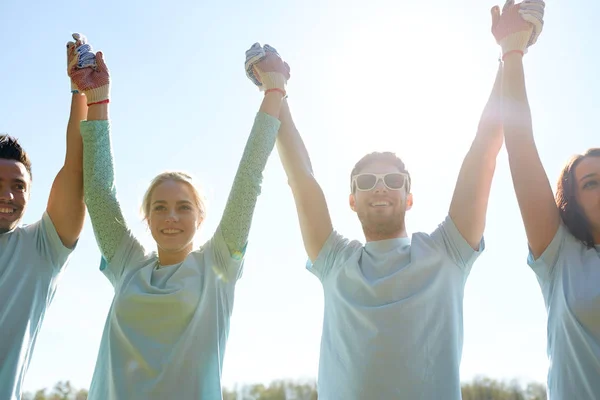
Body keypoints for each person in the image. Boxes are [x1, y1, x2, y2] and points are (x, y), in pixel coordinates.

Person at [243, 17, 528, 397]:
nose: (381, 188)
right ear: (352, 200)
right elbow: (302, 179)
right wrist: (276, 89)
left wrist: (510, 52)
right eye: (367, 182)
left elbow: (485, 150)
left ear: (409, 198)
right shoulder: (335, 261)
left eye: (394, 181)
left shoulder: (447, 251)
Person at [71, 41, 289, 399]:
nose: (171, 216)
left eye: (184, 207)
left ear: (200, 217)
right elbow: (98, 191)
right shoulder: (128, 266)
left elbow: (249, 176)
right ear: (147, 216)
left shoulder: (217, 264)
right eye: (160, 207)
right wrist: (97, 99)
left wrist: (274, 91)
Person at [498, 0, 600, 398]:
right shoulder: (561, 255)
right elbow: (519, 145)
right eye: (592, 183)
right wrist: (513, 52)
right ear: (571, 201)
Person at [0, 33, 88, 400]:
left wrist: (80, 93)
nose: (7, 195)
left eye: (18, 186)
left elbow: (76, 168)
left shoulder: (42, 249)